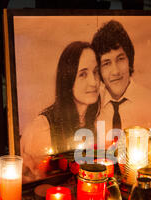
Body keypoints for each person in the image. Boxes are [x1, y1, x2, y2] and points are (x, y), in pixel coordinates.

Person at [20, 41, 101, 182]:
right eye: (83, 74)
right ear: (67, 79)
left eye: (95, 72)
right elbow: (35, 183)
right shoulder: (43, 128)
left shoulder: (96, 120)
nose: (94, 82)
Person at [91, 20, 151, 142]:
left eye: (120, 59)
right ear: (99, 70)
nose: (115, 71)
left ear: (129, 60)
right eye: (106, 63)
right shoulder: (90, 108)